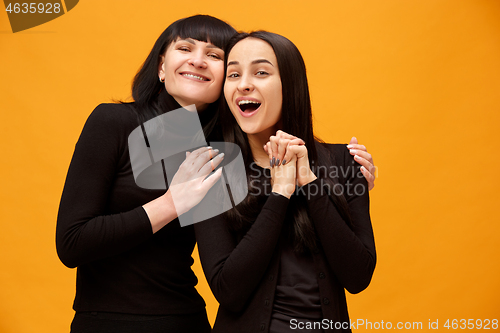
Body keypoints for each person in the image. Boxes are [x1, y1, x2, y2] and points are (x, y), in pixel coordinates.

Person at [56, 14, 376, 332]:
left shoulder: (217, 149)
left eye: (214, 56)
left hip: (186, 318)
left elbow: (355, 270)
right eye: (185, 48)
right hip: (108, 320)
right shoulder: (121, 125)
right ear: (160, 67)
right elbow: (72, 242)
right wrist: (172, 202)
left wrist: (338, 184)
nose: (198, 61)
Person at [194, 31, 376, 333]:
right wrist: (280, 193)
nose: (244, 84)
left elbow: (358, 277)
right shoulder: (210, 171)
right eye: (234, 74)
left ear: (290, 86)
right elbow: (228, 290)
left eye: (261, 72)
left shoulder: (344, 161)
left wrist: (309, 183)